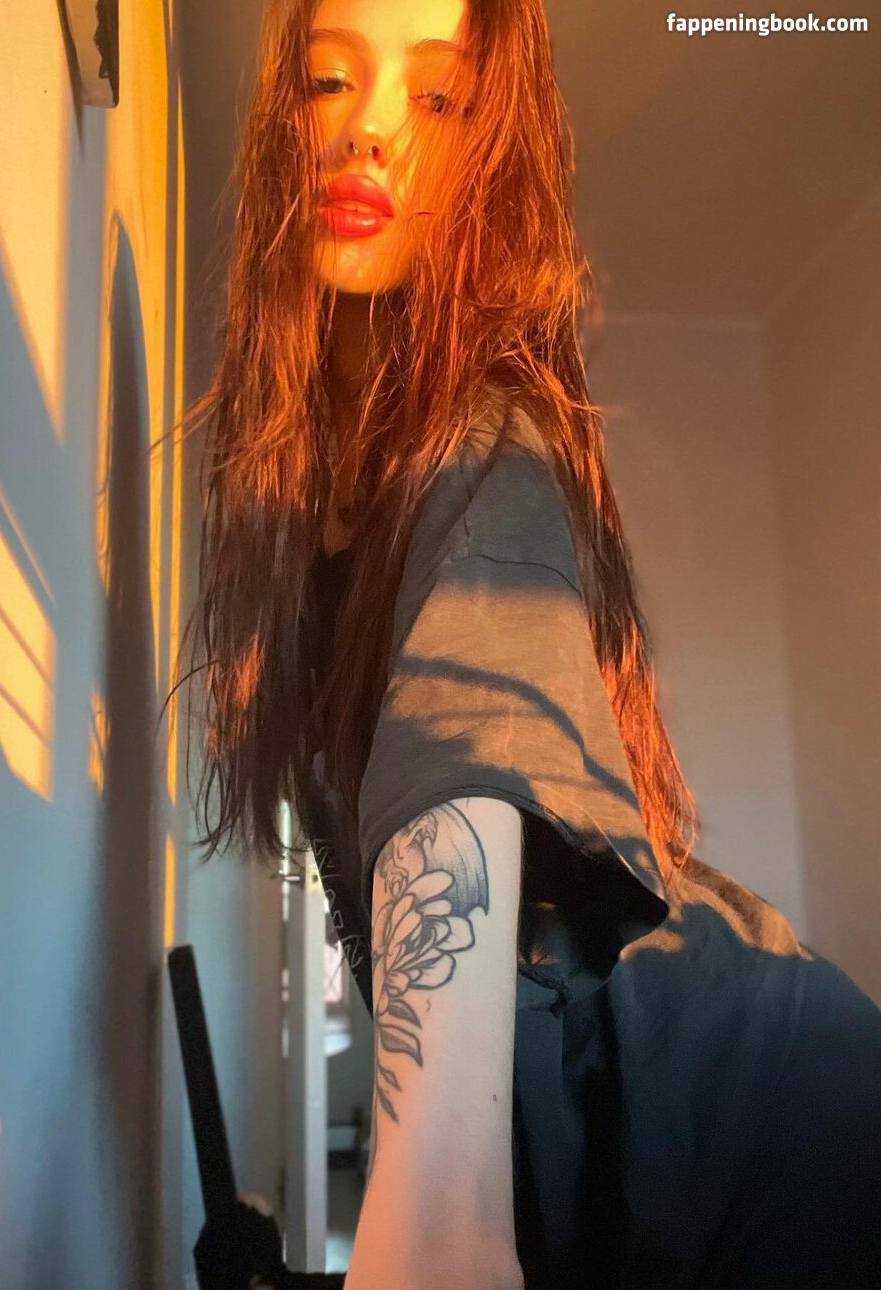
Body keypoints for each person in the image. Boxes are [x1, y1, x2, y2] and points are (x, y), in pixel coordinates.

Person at [172, 1, 881, 1286]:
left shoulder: (488, 443)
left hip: (781, 1133)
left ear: (489, 156)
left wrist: (429, 1219)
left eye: (438, 98)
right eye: (329, 80)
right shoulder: (314, 521)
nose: (370, 130)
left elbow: (441, 1225)